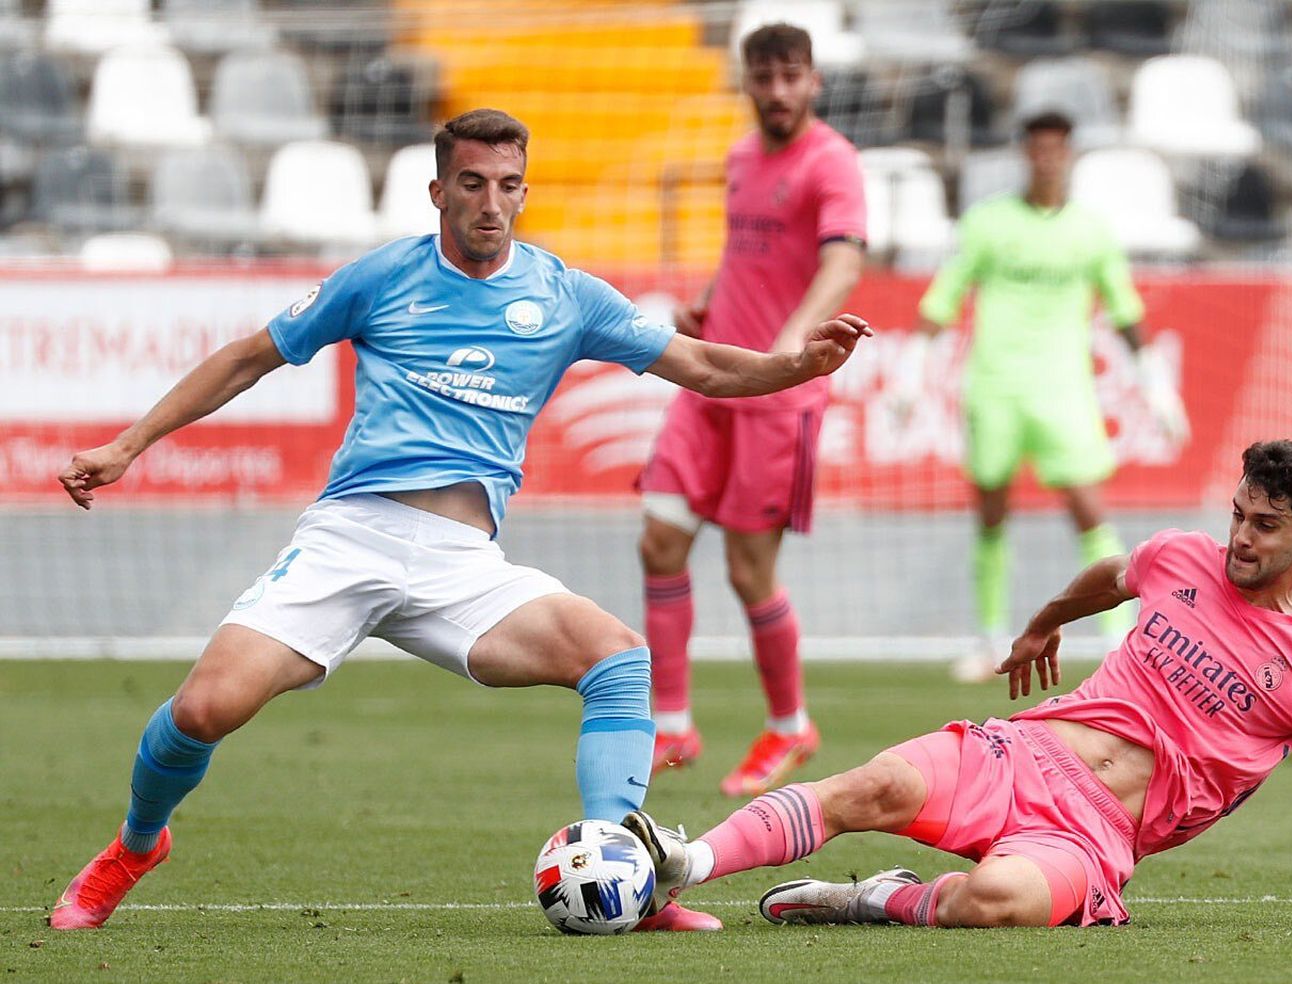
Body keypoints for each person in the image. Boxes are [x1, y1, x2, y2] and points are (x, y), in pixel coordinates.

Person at [48, 108, 871, 934]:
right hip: (351, 537)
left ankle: (633, 877)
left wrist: (791, 365)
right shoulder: (380, 278)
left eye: (508, 186)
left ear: (524, 192)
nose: (491, 203)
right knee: (202, 710)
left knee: (616, 656)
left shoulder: (563, 294)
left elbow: (697, 362)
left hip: (461, 564)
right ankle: (135, 846)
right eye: (473, 184)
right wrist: (128, 446)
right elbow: (248, 357)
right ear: (438, 189)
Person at [624, 441, 1292, 931]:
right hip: (1026, 749)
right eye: (1237, 512)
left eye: (1265, 525)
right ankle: (684, 864)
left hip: (1100, 831)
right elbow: (1112, 572)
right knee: (870, 785)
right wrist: (1044, 622)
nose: (1239, 537)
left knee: (997, 905)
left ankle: (868, 899)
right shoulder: (1182, 556)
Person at [636, 22, 866, 795]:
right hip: (713, 377)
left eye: (789, 76)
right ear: (748, 82)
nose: (776, 92)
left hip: (780, 391)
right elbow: (745, 253)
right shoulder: (739, 157)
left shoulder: (832, 161)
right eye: (762, 78)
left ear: (813, 81)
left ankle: (789, 724)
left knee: (746, 569)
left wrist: (793, 344)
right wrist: (704, 303)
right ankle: (671, 726)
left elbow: (843, 258)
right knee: (659, 538)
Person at [912, 111, 1188, 683]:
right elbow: (945, 298)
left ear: (1069, 155)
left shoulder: (1090, 231)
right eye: (1037, 149)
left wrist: (1157, 386)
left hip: (1063, 389)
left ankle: (1124, 640)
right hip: (995, 386)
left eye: (1056, 149)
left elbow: (1125, 310)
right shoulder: (987, 224)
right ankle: (989, 637)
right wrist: (914, 370)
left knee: (1089, 510)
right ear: (1025, 153)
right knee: (992, 514)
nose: (1046, 159)